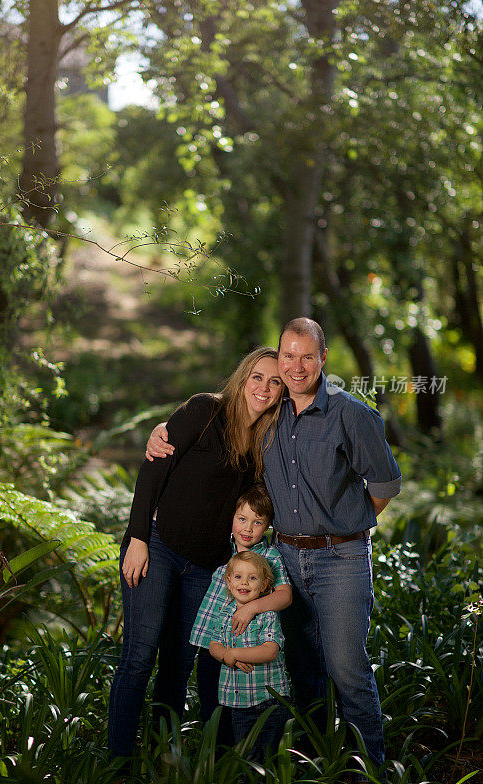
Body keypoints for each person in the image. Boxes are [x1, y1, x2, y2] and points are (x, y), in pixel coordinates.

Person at [146, 317, 402, 773]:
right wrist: (164, 430)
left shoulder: (352, 414)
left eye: (307, 356)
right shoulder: (271, 413)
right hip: (282, 556)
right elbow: (223, 418)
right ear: (279, 359)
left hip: (339, 557)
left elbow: (383, 485)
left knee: (347, 669)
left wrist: (344, 526)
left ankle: (370, 769)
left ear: (323, 358)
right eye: (288, 356)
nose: (296, 367)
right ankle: (310, 760)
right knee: (301, 666)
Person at [108, 346, 284, 761]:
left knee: (178, 663)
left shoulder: (265, 441)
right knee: (139, 656)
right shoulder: (205, 411)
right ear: (243, 377)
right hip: (158, 546)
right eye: (258, 377)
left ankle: (158, 757)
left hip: (207, 568)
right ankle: (117, 762)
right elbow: (154, 467)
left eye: (274, 382)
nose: (264, 387)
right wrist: (137, 538)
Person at [191, 483, 292, 730]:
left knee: (239, 715)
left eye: (257, 522)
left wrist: (250, 608)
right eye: (242, 519)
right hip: (213, 645)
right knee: (211, 709)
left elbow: (285, 597)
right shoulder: (221, 550)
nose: (247, 528)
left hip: (246, 648)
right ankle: (217, 763)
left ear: (268, 526)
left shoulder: (270, 557)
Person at [209, 551, 291, 762]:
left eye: (252, 578)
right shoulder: (225, 613)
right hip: (238, 702)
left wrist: (236, 653)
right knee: (246, 756)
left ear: (264, 585)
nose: (244, 583)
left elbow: (270, 650)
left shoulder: (267, 614)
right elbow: (214, 644)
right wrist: (227, 655)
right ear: (228, 582)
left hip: (268, 699)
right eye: (238, 577)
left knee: (267, 757)